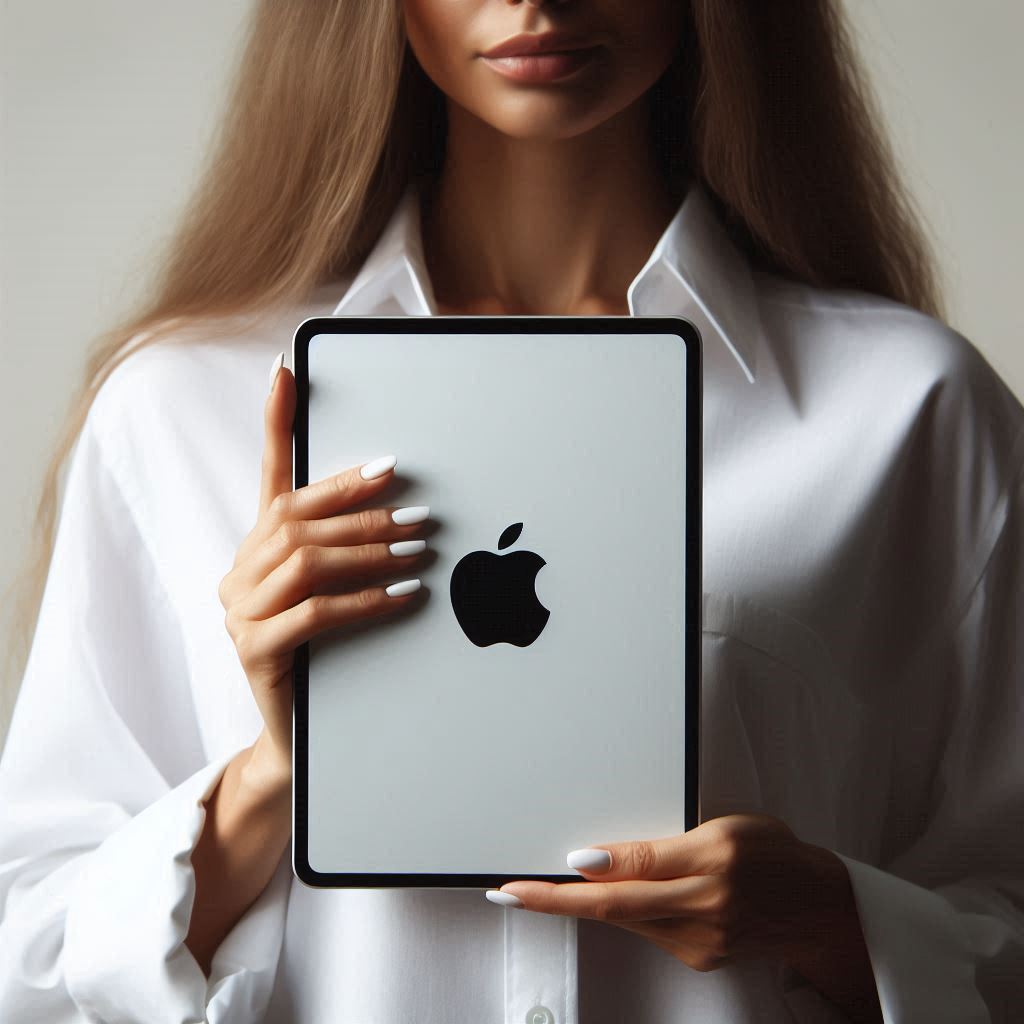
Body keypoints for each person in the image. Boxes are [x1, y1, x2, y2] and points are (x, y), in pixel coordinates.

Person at [1, 0, 1021, 1021]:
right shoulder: (176, 406)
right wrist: (272, 779)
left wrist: (828, 919)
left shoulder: (910, 410)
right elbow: (30, 950)